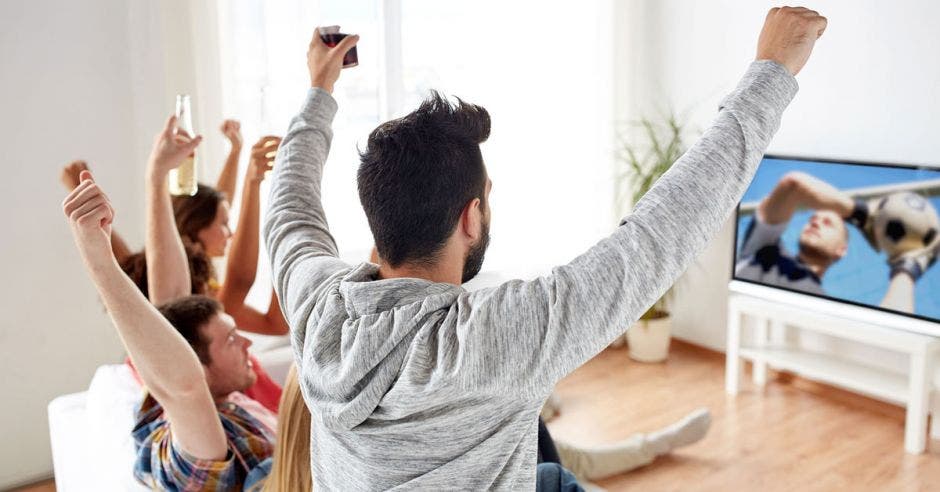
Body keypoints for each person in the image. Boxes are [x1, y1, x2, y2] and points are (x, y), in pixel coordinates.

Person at [264, 8, 826, 489]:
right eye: (487, 197)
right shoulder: (498, 338)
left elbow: (289, 205)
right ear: (471, 217)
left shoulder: (317, 311)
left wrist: (319, 90)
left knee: (546, 463)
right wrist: (773, 72)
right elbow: (662, 233)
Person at [62, 172, 276, 490]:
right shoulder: (198, 445)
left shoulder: (214, 395)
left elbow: (168, 302)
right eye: (231, 339)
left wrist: (158, 176)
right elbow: (184, 387)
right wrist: (98, 259)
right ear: (196, 366)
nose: (246, 342)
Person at [735, 171, 940, 312]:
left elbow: (897, 336)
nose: (815, 223)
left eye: (827, 223)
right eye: (813, 219)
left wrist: (907, 268)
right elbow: (793, 184)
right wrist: (862, 214)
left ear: (841, 250)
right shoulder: (764, 249)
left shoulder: (823, 304)